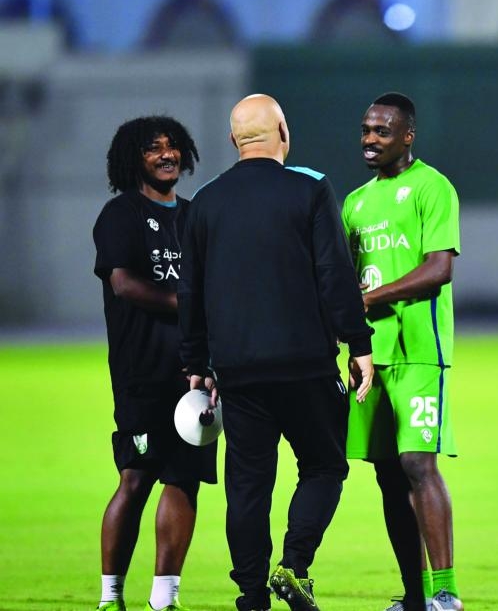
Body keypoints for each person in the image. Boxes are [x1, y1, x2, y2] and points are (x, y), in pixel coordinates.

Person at [178, 94, 374, 611]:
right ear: (283, 132)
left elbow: (190, 293)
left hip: (238, 372)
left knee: (247, 485)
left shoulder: (205, 203)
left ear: (233, 140)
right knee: (324, 467)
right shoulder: (310, 188)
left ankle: (250, 595)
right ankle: (294, 566)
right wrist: (358, 343)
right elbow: (334, 273)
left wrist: (196, 365)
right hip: (306, 366)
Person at [341, 92, 462, 611]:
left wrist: (369, 299)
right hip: (370, 357)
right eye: (366, 130)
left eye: (382, 132)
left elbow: (439, 269)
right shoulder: (355, 203)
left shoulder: (432, 187)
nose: (370, 140)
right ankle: (415, 597)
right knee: (388, 476)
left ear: (407, 136)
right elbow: (343, 281)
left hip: (418, 352)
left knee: (417, 464)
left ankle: (446, 593)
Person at [92, 116, 217, 611]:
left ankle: (164, 598)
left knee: (185, 478)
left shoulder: (194, 216)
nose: (166, 154)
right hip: (142, 372)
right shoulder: (120, 214)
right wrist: (189, 305)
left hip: (195, 373)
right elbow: (123, 284)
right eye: (152, 148)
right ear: (133, 159)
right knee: (137, 476)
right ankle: (110, 596)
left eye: (172, 146)